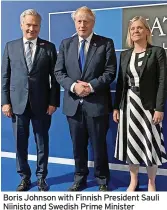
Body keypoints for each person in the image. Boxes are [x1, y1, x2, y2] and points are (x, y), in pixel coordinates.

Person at [54, 6, 117, 191]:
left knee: (99, 145)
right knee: (78, 146)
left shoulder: (106, 43)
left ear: (93, 23)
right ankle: (79, 178)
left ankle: (102, 180)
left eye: (86, 21)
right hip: (73, 105)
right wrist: (74, 86)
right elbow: (59, 72)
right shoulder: (66, 44)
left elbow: (110, 72)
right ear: (75, 22)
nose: (82, 24)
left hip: (97, 104)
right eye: (79, 21)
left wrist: (90, 87)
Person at [1, 9, 60, 191]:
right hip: (17, 104)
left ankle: (42, 177)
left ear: (40, 26)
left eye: (35, 25)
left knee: (42, 142)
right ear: (21, 25)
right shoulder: (10, 46)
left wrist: (53, 102)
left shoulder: (48, 47)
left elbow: (55, 78)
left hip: (42, 105)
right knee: (20, 143)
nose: (32, 28)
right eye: (28, 24)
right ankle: (24, 177)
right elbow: (5, 77)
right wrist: (5, 102)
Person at [113, 16, 167, 191]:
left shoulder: (157, 52)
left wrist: (159, 108)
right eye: (132, 29)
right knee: (131, 145)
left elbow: (162, 81)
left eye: (139, 28)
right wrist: (116, 107)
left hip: (148, 107)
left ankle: (152, 182)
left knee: (151, 144)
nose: (135, 31)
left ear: (147, 31)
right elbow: (121, 83)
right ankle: (134, 180)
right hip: (128, 105)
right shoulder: (125, 55)